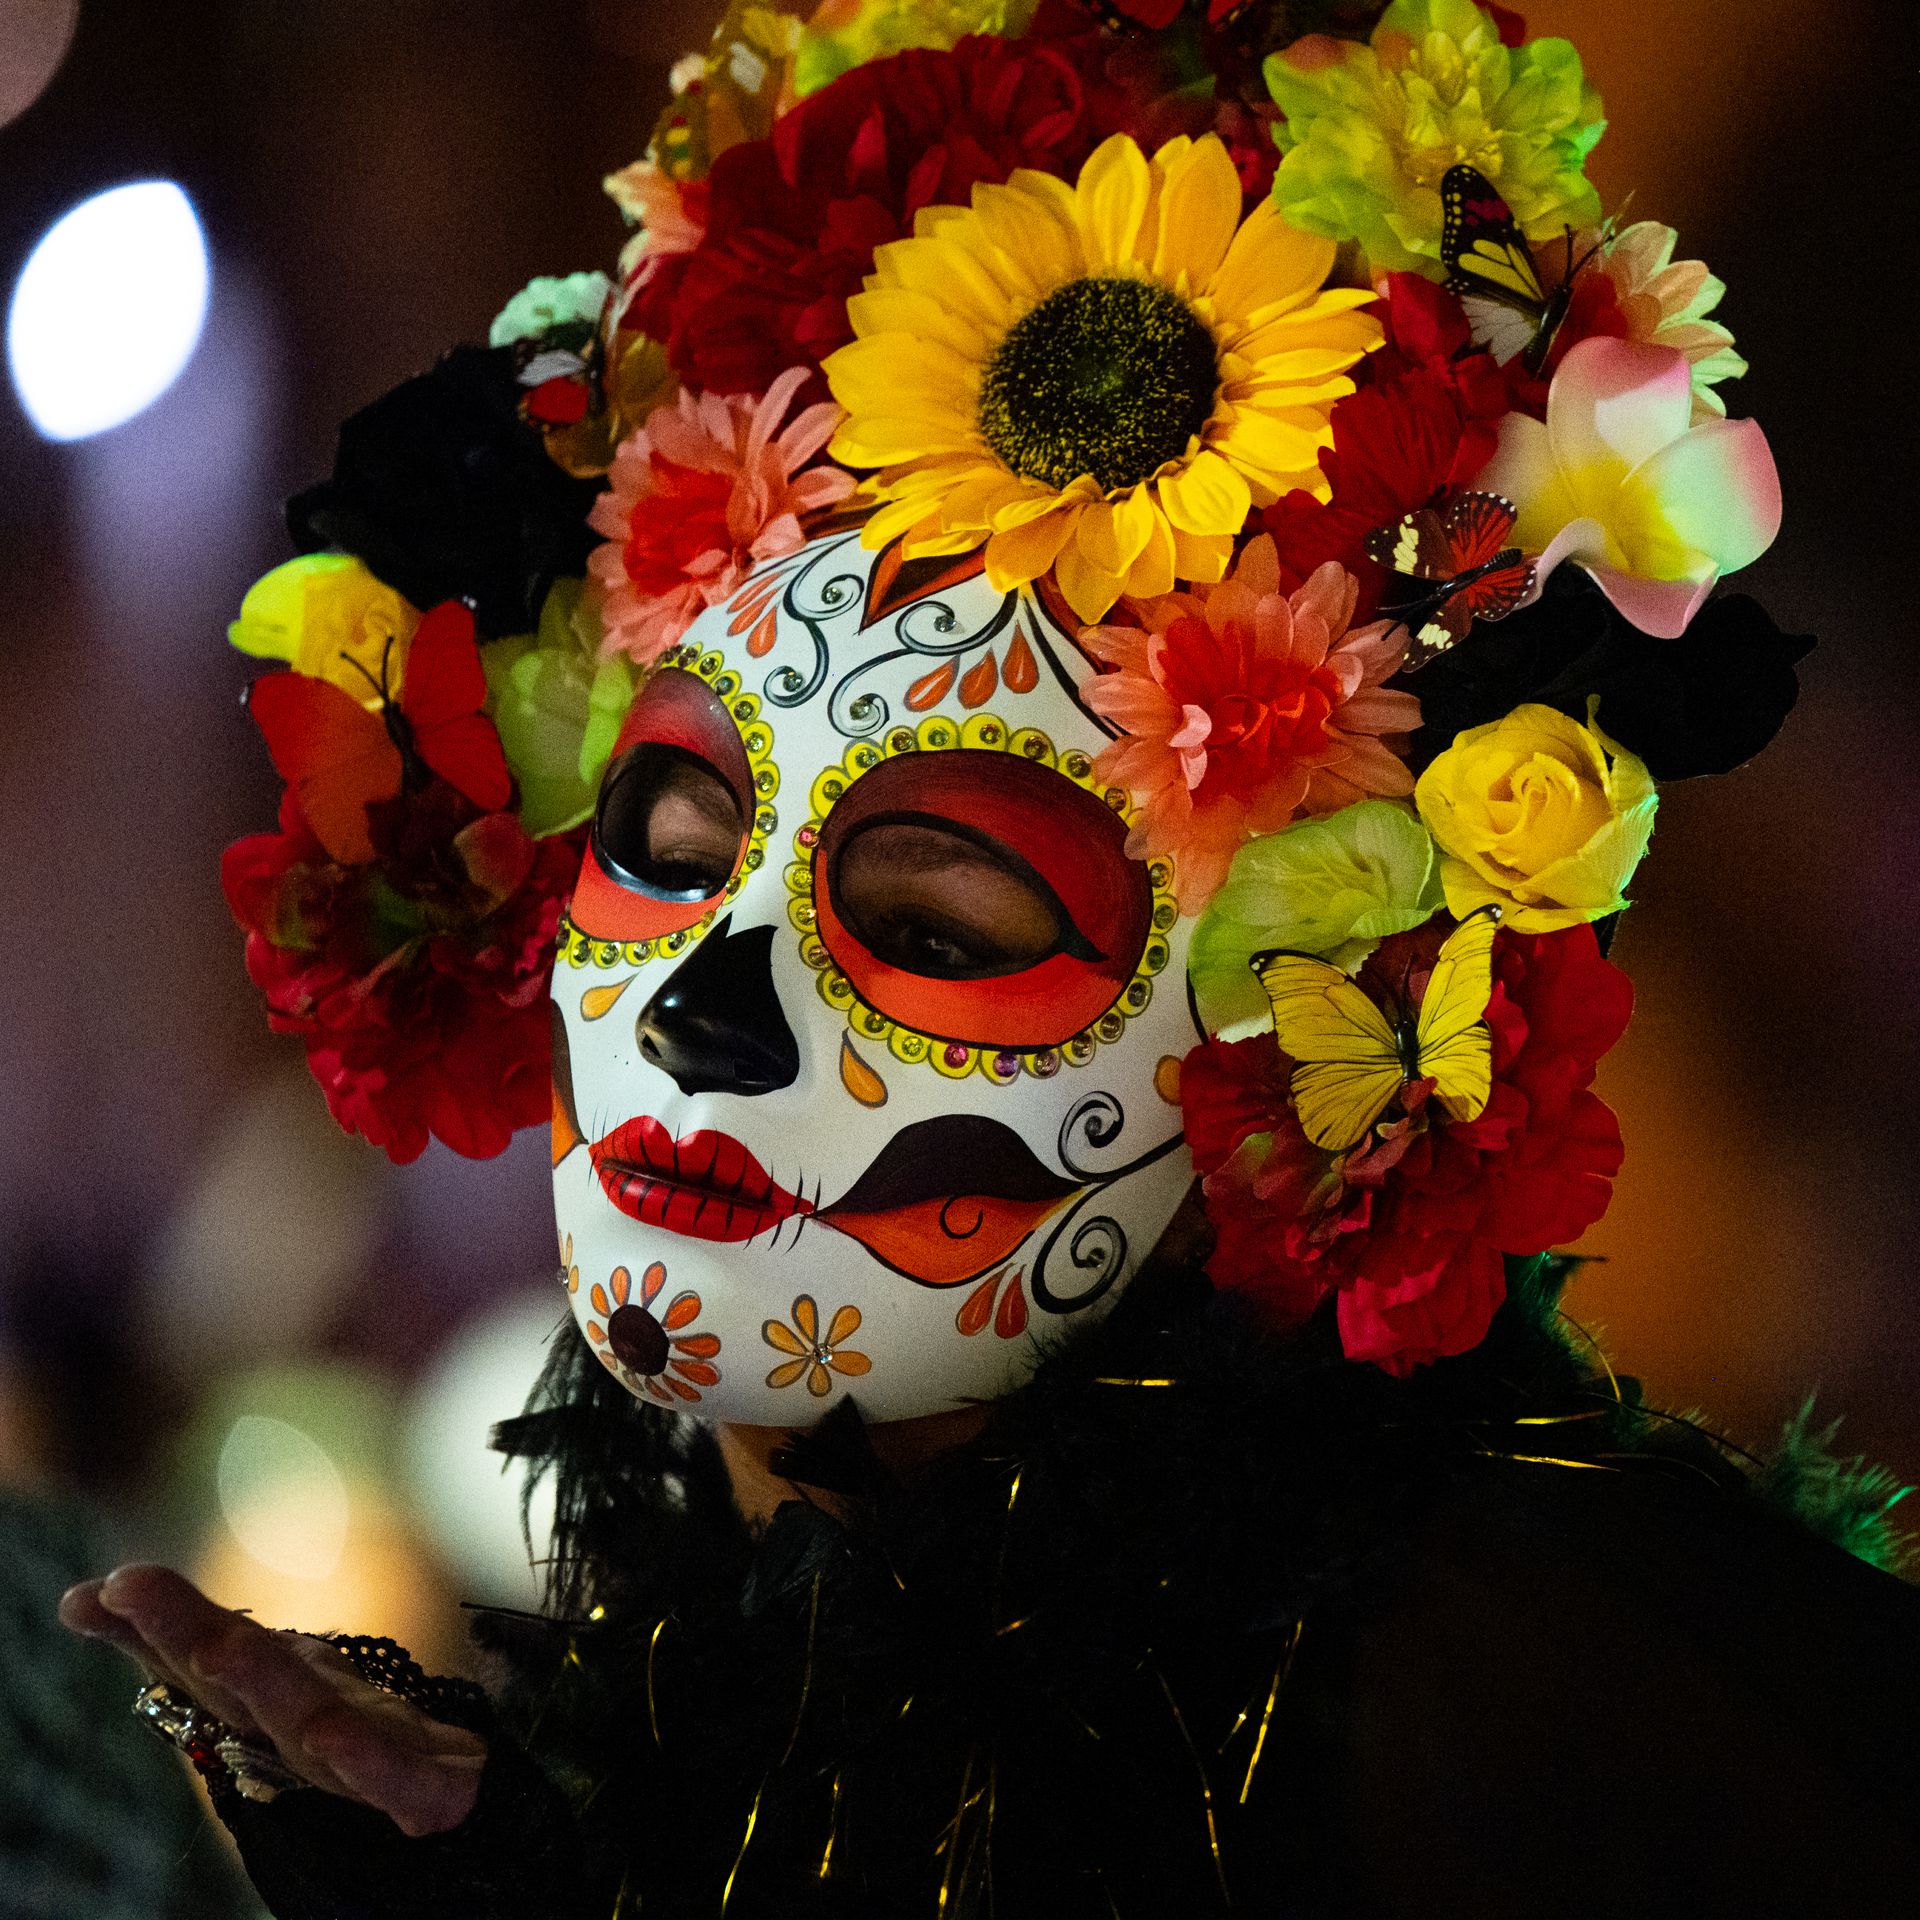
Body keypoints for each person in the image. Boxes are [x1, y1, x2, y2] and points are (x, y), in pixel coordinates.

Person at [57, 1, 1917, 1912]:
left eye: (939, 920)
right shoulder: (772, 1657)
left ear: (1295, 1028)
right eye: (672, 842)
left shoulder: (1561, 1707)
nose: (699, 1006)